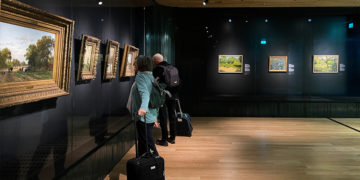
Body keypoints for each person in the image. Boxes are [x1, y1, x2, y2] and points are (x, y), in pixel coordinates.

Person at [131, 55, 160, 156]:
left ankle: (157, 166)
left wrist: (142, 108)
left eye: (135, 63)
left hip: (144, 117)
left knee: (148, 143)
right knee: (143, 143)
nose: (134, 65)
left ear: (140, 65)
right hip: (150, 115)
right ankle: (143, 166)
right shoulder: (150, 76)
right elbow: (155, 98)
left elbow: (145, 94)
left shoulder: (140, 76)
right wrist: (155, 117)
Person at [153, 53, 179, 146]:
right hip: (173, 95)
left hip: (163, 96)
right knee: (172, 116)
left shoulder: (157, 69)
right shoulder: (172, 67)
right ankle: (172, 138)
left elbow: (155, 83)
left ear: (156, 60)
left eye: (153, 61)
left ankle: (164, 139)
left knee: (163, 117)